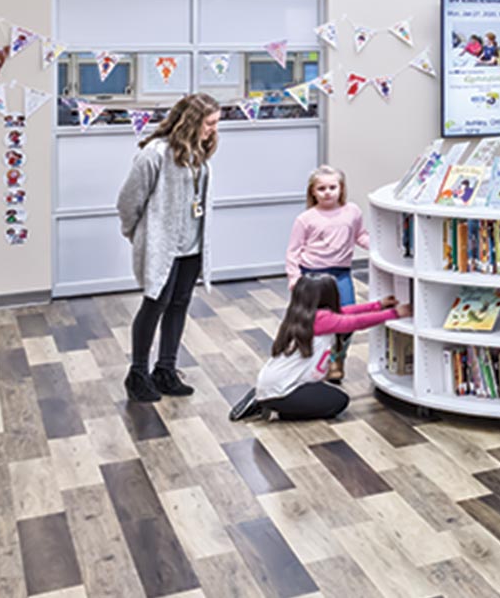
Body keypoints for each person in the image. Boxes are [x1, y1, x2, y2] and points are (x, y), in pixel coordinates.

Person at [115, 93, 220, 404]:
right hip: (164, 245)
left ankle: (166, 369)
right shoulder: (155, 154)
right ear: (191, 122)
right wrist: (136, 233)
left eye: (216, 124)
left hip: (191, 245)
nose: (213, 130)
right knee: (155, 304)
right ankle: (137, 374)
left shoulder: (199, 152)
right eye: (209, 123)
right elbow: (127, 201)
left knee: (179, 304)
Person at [229, 278, 401, 422]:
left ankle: (265, 399)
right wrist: (395, 314)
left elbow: (345, 312)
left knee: (329, 394)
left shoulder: (301, 315)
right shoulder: (322, 319)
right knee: (339, 402)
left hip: (275, 381)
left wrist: (378, 305)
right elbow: (355, 322)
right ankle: (274, 408)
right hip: (285, 389)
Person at [286, 165, 370, 384]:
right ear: (313, 192)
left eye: (332, 187)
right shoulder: (306, 219)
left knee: (348, 320)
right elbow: (293, 252)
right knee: (311, 323)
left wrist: (378, 247)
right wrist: (294, 278)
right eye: (321, 188)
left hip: (341, 274)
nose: (327, 192)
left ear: (341, 189)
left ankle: (337, 359)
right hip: (312, 276)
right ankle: (310, 363)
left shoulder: (352, 212)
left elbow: (360, 235)